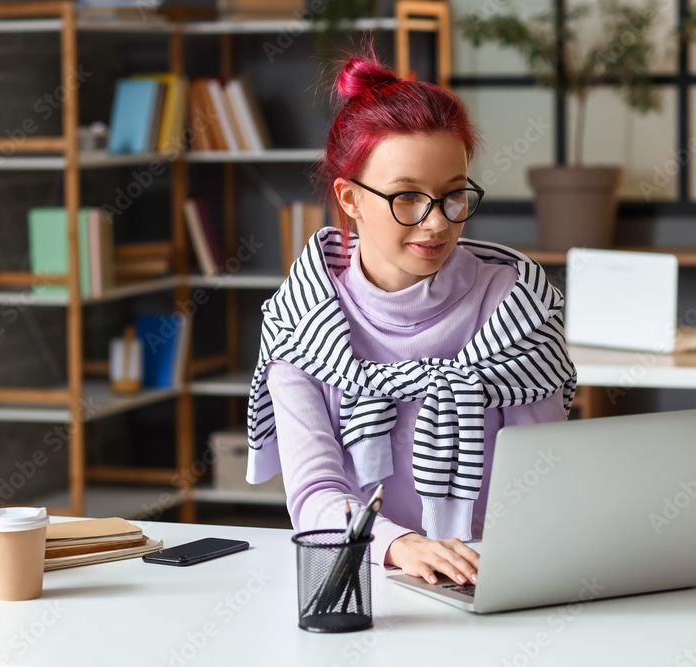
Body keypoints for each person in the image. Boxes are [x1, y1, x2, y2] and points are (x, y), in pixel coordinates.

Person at [246, 51, 576, 588]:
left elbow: (544, 480)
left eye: (453, 196)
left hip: (503, 577)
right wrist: (400, 546)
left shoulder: (519, 307)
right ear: (349, 199)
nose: (436, 222)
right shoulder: (299, 323)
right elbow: (313, 495)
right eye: (406, 198)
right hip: (365, 579)